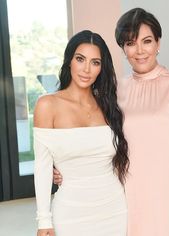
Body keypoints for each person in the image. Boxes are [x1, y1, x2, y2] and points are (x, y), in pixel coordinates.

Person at [54, 8, 169, 236]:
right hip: (130, 195)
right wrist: (66, 168)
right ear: (123, 48)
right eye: (131, 43)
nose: (140, 51)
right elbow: (100, 141)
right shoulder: (115, 91)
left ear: (158, 43)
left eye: (147, 41)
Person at [33, 30, 129, 236]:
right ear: (69, 61)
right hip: (70, 212)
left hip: (115, 209)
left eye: (95, 62)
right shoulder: (47, 105)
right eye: (80, 59)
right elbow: (42, 166)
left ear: (101, 68)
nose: (86, 69)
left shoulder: (109, 106)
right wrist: (43, 220)